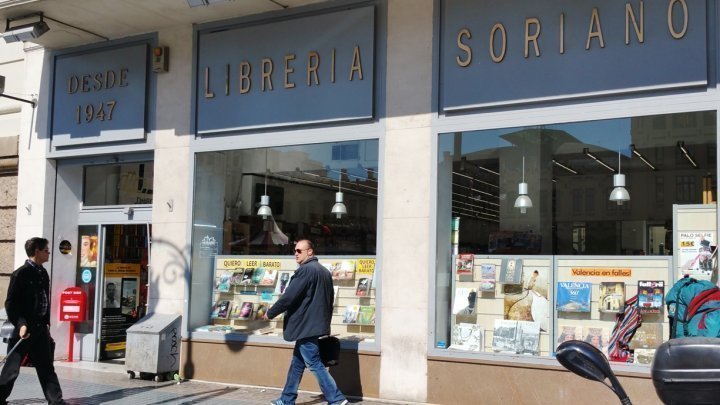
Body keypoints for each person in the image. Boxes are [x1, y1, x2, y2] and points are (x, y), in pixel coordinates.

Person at [263, 239, 347, 405]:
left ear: (310, 252)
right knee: (297, 364)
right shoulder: (324, 271)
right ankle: (287, 399)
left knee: (315, 363)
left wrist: (270, 313)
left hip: (305, 326)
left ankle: (337, 399)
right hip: (313, 326)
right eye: (294, 251)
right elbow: (329, 301)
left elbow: (289, 297)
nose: (295, 253)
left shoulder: (306, 270)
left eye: (299, 251)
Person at [0, 237, 64, 405]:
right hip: (24, 330)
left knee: (46, 367)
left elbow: (43, 300)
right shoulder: (20, 274)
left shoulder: (42, 273)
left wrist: (46, 324)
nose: (48, 252)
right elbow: (11, 303)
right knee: (12, 368)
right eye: (46, 250)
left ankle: (56, 401)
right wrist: (21, 324)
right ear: (37, 251)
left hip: (40, 328)